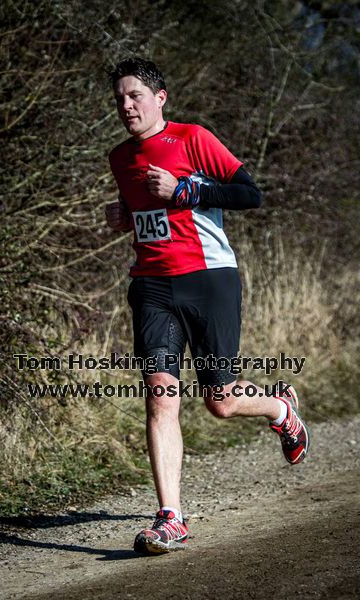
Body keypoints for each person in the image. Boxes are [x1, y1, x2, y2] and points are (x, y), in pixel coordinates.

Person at [105, 57, 310, 555]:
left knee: (219, 401)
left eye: (135, 95)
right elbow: (144, 213)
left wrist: (187, 189)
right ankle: (170, 518)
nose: (126, 105)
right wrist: (125, 214)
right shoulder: (118, 157)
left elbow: (249, 194)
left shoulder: (193, 138)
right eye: (119, 99)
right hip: (151, 285)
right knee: (160, 396)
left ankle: (281, 408)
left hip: (209, 281)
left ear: (160, 98)